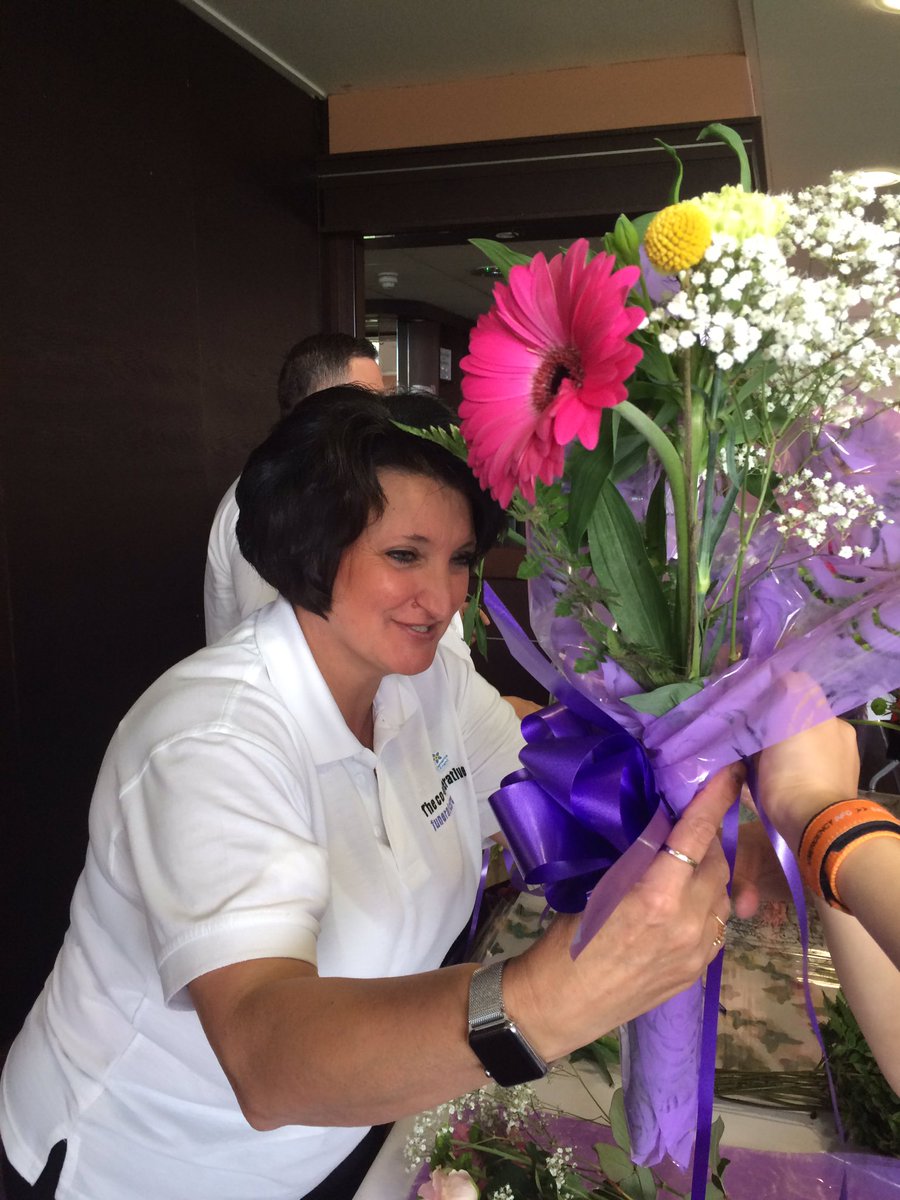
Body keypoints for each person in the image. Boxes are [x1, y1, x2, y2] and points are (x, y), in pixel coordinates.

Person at [0, 388, 885, 1199]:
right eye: (403, 555)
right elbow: (268, 1057)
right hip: (142, 1166)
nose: (444, 596)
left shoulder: (419, 682)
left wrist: (718, 759)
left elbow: (565, 773)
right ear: (309, 553)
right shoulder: (213, 740)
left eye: (460, 559)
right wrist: (552, 999)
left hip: (331, 1141)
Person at [203, 332, 383, 645]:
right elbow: (280, 639)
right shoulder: (263, 502)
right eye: (366, 402)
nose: (384, 418)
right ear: (314, 407)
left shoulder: (334, 489)